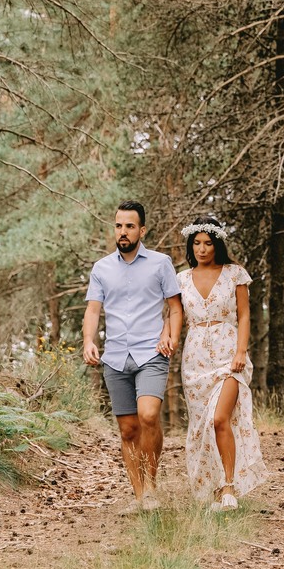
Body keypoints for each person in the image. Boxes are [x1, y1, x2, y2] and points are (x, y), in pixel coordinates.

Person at [83, 200, 182, 514]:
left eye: (129, 226)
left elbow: (175, 307)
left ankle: (152, 488)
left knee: (149, 416)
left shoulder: (160, 263)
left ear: (142, 230)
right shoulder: (101, 268)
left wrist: (173, 335)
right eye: (118, 225)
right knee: (127, 430)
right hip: (114, 357)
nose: (123, 232)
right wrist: (88, 340)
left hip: (152, 352)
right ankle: (140, 497)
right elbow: (93, 310)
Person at [176, 215, 267, 510]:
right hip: (194, 360)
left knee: (219, 418)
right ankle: (214, 488)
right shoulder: (181, 279)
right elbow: (174, 317)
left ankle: (229, 487)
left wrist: (241, 352)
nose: (202, 249)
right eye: (197, 243)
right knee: (202, 425)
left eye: (208, 243)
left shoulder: (234, 274)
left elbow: (245, 315)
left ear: (218, 245)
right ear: (191, 245)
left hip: (229, 355)